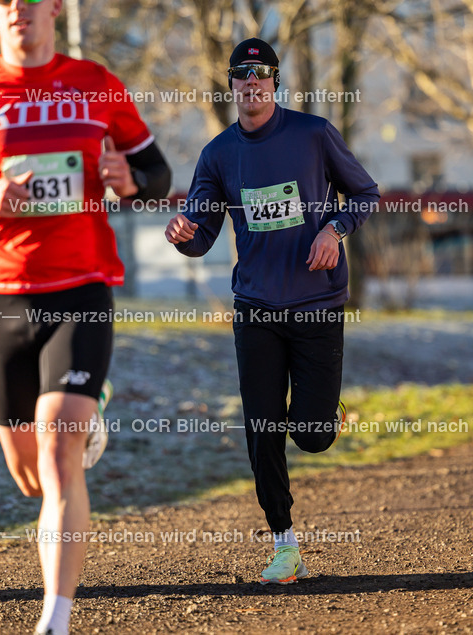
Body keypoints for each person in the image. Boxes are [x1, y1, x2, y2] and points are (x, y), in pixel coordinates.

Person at [0, 0, 170, 633]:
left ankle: (54, 619)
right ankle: (87, 417)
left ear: (55, 3)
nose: (16, 3)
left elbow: (157, 172)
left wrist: (127, 179)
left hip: (81, 289)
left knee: (59, 455)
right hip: (2, 299)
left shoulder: (95, 84)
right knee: (28, 476)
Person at [165, 38, 379, 584]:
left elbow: (365, 194)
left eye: (262, 76)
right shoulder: (218, 154)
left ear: (275, 82)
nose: (252, 85)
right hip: (256, 306)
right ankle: (285, 543)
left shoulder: (312, 134)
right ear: (232, 84)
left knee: (311, 435)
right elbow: (201, 233)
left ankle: (324, 408)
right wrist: (183, 234)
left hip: (316, 303)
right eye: (242, 76)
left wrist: (335, 229)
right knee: (261, 427)